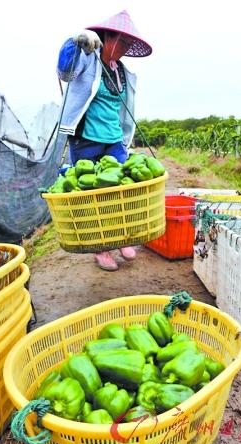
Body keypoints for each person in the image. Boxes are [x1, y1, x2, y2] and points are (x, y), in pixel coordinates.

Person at [57, 10, 152, 271]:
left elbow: (122, 109)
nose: (123, 48)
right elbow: (65, 71)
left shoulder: (121, 71)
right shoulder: (88, 60)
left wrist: (124, 139)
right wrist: (75, 42)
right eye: (120, 41)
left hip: (113, 140)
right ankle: (101, 249)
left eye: (127, 44)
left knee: (121, 191)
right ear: (107, 37)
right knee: (93, 195)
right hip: (86, 139)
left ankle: (121, 238)